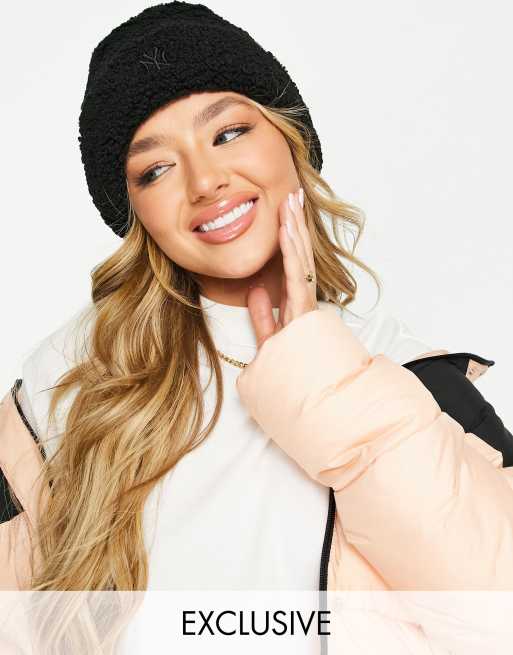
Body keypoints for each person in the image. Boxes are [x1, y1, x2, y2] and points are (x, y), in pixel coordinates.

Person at [1, 2, 512, 653]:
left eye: (228, 132)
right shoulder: (67, 386)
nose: (205, 180)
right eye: (155, 169)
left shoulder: (410, 375)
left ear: (290, 140)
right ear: (136, 213)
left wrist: (325, 383)